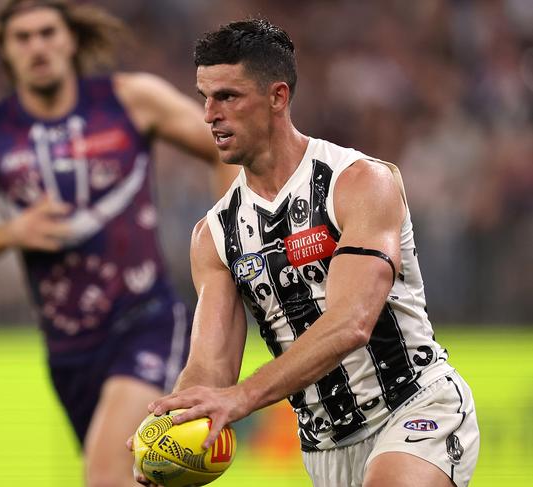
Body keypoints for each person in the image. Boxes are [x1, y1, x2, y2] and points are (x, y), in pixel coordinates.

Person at [136, 18, 480, 487]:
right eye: (205, 98)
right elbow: (210, 367)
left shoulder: (358, 182)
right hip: (324, 448)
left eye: (228, 97)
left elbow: (352, 321)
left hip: (415, 407)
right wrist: (170, 430)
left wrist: (242, 397)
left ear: (278, 96)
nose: (209, 115)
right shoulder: (213, 235)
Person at [0, 1, 235, 486]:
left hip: (145, 320)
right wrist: (10, 233)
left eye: (47, 32)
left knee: (105, 476)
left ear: (71, 39)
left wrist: (226, 231)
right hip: (68, 349)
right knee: (143, 478)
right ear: (6, 52)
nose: (38, 46)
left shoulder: (130, 99)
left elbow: (226, 147)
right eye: (23, 37)